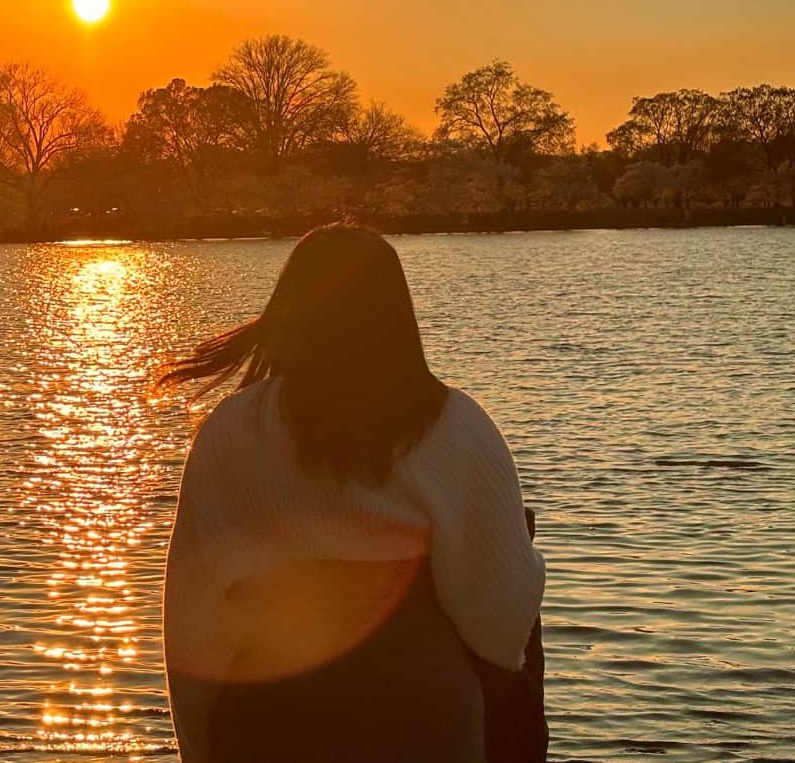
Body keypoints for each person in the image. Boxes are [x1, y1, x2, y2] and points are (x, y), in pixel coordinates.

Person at [158, 224, 546, 763]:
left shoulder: (231, 429)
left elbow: (193, 620)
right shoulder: (457, 428)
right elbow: (499, 624)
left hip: (268, 721)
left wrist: (199, 748)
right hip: (421, 722)